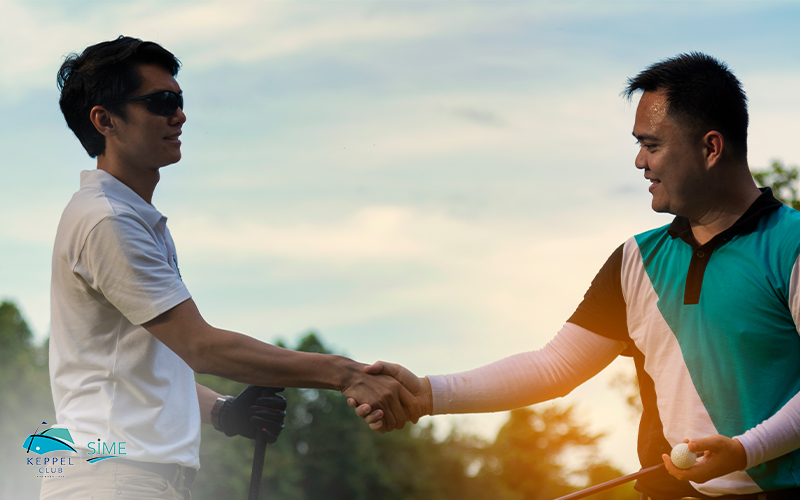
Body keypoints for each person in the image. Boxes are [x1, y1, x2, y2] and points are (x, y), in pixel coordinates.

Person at [351, 53, 800, 500]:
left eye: (653, 145)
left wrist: (745, 451)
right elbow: (556, 366)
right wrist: (427, 394)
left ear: (710, 148)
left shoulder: (791, 243)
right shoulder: (635, 260)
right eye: (638, 145)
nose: (640, 161)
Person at [45, 36, 421, 500]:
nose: (178, 115)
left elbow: (143, 369)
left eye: (179, 101)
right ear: (105, 120)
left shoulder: (126, 216)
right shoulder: (109, 220)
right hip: (117, 480)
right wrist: (347, 373)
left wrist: (225, 412)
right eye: (161, 102)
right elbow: (200, 346)